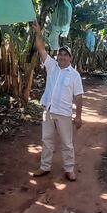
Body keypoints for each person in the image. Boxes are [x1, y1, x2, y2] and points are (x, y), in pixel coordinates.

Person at [30, 23, 84, 181]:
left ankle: (69, 169)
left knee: (67, 143)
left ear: (70, 58)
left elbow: (79, 96)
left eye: (65, 55)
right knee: (46, 140)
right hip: (48, 111)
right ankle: (44, 166)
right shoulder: (51, 66)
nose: (62, 57)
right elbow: (41, 49)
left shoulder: (74, 75)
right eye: (60, 54)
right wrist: (39, 33)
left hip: (64, 114)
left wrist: (78, 116)